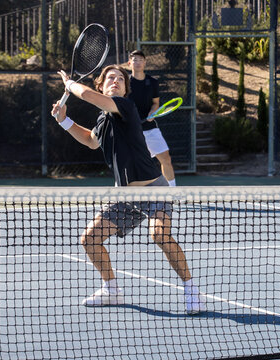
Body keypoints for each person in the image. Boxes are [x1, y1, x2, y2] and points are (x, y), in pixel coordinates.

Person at [51, 65, 205, 315]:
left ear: (124, 88)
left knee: (160, 235)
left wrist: (69, 85)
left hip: (154, 190)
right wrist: (63, 120)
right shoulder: (103, 119)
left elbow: (88, 95)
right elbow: (91, 141)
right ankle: (111, 289)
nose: (115, 81)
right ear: (102, 85)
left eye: (120, 79)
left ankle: (191, 290)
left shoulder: (125, 106)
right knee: (89, 239)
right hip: (124, 196)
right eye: (110, 78)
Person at [127, 50, 177, 187]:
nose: (138, 62)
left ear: (145, 63)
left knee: (166, 159)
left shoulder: (152, 82)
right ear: (129, 63)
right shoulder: (124, 82)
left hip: (150, 128)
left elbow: (156, 103)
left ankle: (172, 192)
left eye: (141, 59)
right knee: (131, 165)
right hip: (131, 131)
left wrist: (152, 113)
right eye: (135, 59)